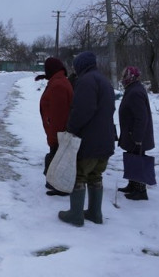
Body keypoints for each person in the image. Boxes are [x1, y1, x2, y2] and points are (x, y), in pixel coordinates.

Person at [58, 51, 116, 226]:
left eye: (75, 66)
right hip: (106, 139)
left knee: (79, 175)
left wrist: (71, 128)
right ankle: (94, 213)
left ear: (81, 65)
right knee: (96, 175)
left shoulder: (86, 81)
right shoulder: (104, 80)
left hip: (89, 140)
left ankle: (76, 215)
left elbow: (83, 110)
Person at [35, 57, 74, 196]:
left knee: (58, 157)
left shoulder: (58, 85)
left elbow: (59, 115)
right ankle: (57, 184)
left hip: (58, 133)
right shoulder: (60, 81)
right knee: (58, 158)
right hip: (58, 131)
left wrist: (54, 138)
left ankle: (60, 186)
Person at [117, 65, 155, 200]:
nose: (122, 79)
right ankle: (132, 185)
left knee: (137, 160)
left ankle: (140, 191)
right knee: (132, 158)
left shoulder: (135, 92)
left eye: (124, 76)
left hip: (137, 136)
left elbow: (141, 117)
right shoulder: (132, 89)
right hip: (132, 134)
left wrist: (137, 137)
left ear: (130, 77)